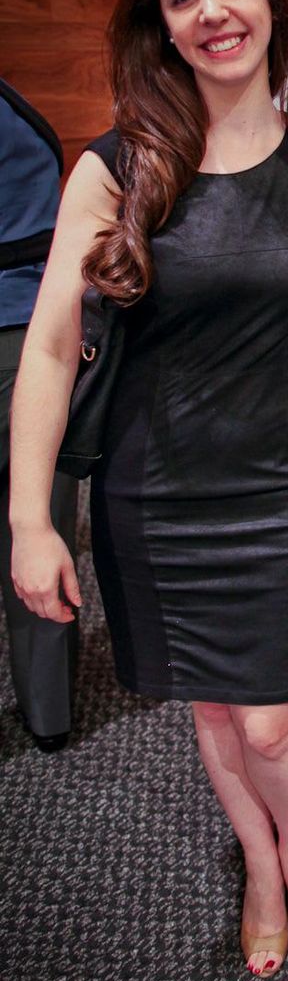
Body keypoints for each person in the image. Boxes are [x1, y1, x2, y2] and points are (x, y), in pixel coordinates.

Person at [9, 0, 288, 978]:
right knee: (213, 711)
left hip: (281, 488)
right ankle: (262, 865)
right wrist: (31, 521)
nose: (212, 11)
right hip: (154, 492)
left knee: (268, 720)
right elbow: (50, 350)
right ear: (162, 24)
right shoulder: (115, 169)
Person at [1, 79, 79, 752]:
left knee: (42, 531)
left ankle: (51, 714)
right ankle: (49, 712)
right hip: (35, 328)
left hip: (34, 332)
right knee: (41, 522)